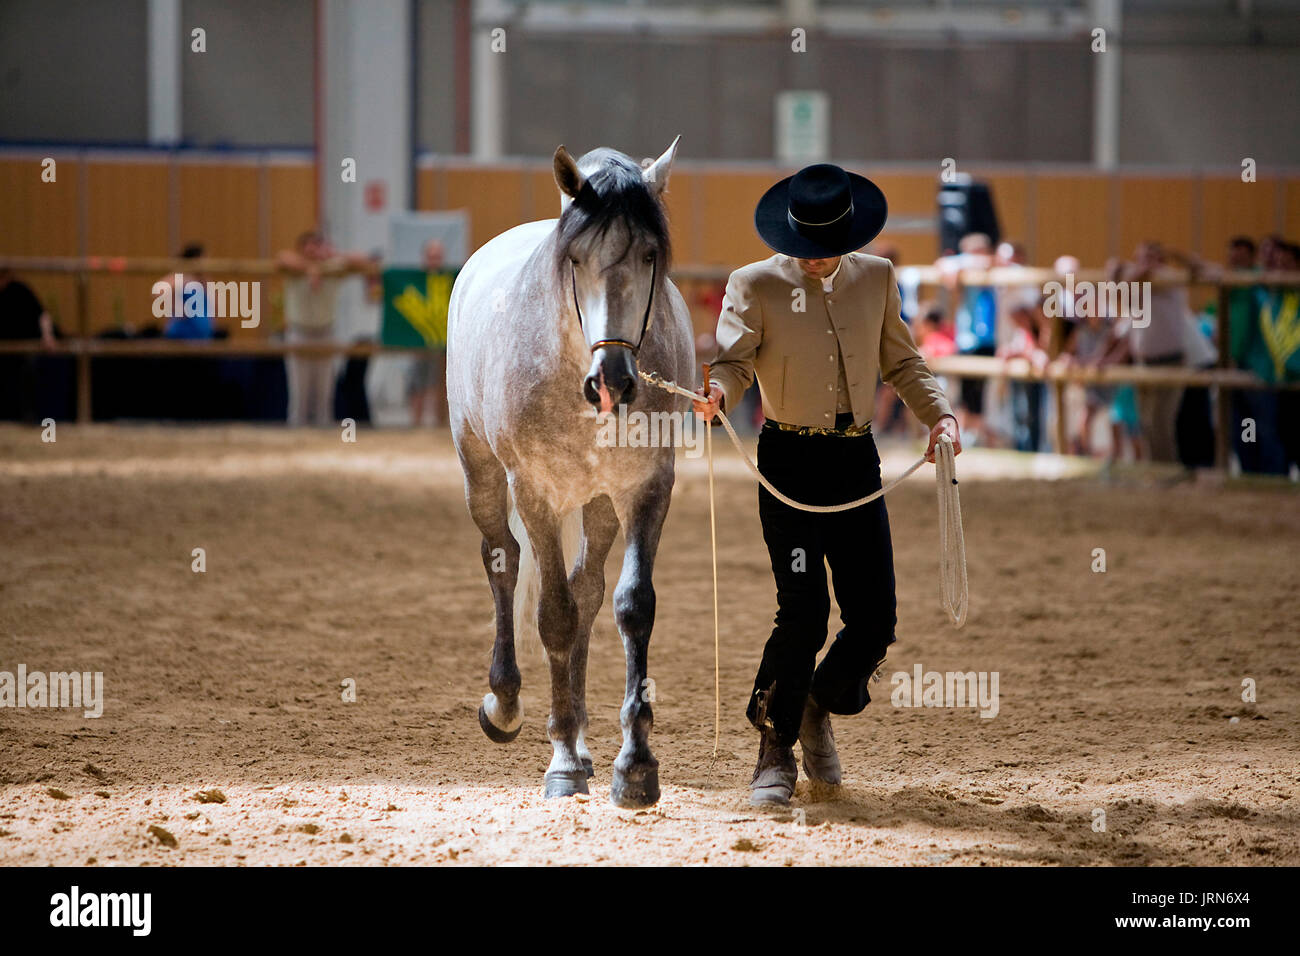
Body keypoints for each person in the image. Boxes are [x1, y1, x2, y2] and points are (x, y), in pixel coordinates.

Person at [693, 163, 960, 808]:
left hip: (856, 460)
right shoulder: (752, 285)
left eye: (827, 249)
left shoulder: (878, 278)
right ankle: (776, 744)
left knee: (875, 619)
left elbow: (901, 359)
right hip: (787, 462)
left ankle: (816, 701)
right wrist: (719, 393)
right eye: (805, 250)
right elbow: (732, 362)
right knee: (805, 612)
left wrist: (940, 413)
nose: (815, 261)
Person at [1106, 241, 1193, 464]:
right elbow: (1118, 290)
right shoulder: (1139, 286)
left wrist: (1123, 273)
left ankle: (1166, 469)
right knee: (1145, 423)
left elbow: (1129, 281)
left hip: (1170, 362)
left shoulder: (1167, 279)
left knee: (1160, 422)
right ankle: (1154, 468)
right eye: (1139, 258)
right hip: (1144, 362)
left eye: (1148, 257)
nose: (1143, 262)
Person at [277, 230, 368, 426]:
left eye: (318, 245)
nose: (314, 249)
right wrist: (310, 268)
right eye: (310, 245)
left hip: (326, 333)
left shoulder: (333, 267)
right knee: (299, 392)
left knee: (324, 392)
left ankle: (323, 431)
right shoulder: (294, 268)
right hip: (299, 333)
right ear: (301, 249)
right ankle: (296, 430)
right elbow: (282, 258)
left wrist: (332, 257)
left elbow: (362, 260)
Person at [936, 233, 998, 446]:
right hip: (966, 339)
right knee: (965, 390)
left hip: (986, 338)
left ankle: (977, 433)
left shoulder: (991, 269)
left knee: (980, 391)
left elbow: (990, 261)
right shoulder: (964, 272)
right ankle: (967, 433)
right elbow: (942, 264)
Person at [0, 268, 59, 421]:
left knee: (31, 368)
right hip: (7, 351)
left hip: (30, 347)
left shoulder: (20, 290)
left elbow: (42, 315)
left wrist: (47, 336)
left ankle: (30, 415)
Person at [408, 239, 451, 426]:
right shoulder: (415, 282)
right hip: (421, 340)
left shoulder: (450, 279)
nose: (434, 261)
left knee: (444, 384)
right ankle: (416, 423)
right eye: (431, 257)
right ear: (425, 258)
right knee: (419, 383)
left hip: (444, 341)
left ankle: (440, 423)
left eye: (438, 257)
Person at [157, 243, 214, 340]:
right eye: (203, 259)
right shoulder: (182, 277)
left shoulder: (204, 280)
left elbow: (213, 308)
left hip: (202, 336)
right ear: (194, 260)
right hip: (182, 334)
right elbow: (158, 291)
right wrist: (179, 308)